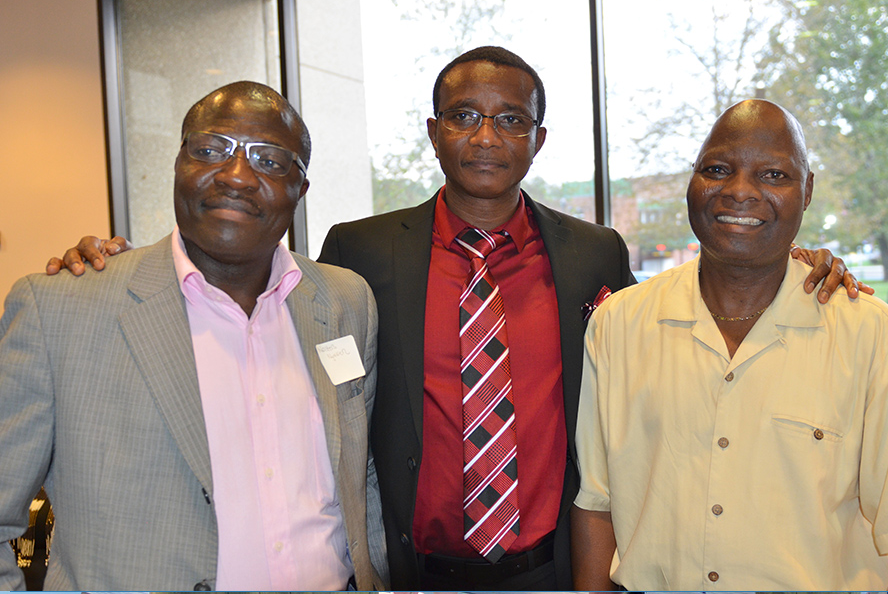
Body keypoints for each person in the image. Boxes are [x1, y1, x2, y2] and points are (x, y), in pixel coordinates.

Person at [49, 48, 862, 590]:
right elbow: (252, 292)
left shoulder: (595, 254)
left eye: (510, 118)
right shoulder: (356, 254)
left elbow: (700, 299)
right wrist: (116, 260)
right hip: (412, 571)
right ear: (433, 132)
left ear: (539, 139)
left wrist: (803, 263)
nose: (485, 135)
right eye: (464, 115)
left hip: (553, 569)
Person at [0, 81, 387, 591]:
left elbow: (361, 473)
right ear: (179, 164)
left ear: (301, 189)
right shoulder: (61, 308)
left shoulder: (345, 301)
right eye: (210, 150)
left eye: (270, 161)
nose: (236, 177)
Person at [571, 99, 888, 590]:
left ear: (806, 191)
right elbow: (596, 503)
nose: (739, 192)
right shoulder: (619, 324)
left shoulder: (869, 335)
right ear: (691, 184)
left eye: (773, 175)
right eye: (717, 170)